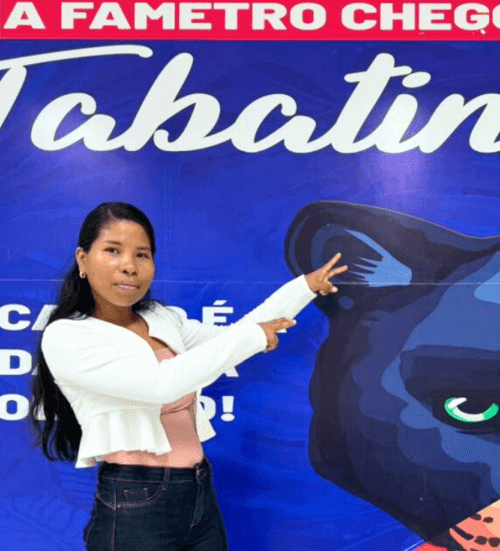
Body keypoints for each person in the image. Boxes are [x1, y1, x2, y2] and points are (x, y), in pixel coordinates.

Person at [29, 202, 346, 551]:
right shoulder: (67, 336)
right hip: (136, 500)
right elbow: (161, 385)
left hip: (198, 489)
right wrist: (252, 338)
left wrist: (304, 288)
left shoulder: (161, 318)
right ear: (83, 259)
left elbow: (236, 335)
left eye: (142, 254)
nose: (129, 266)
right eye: (113, 250)